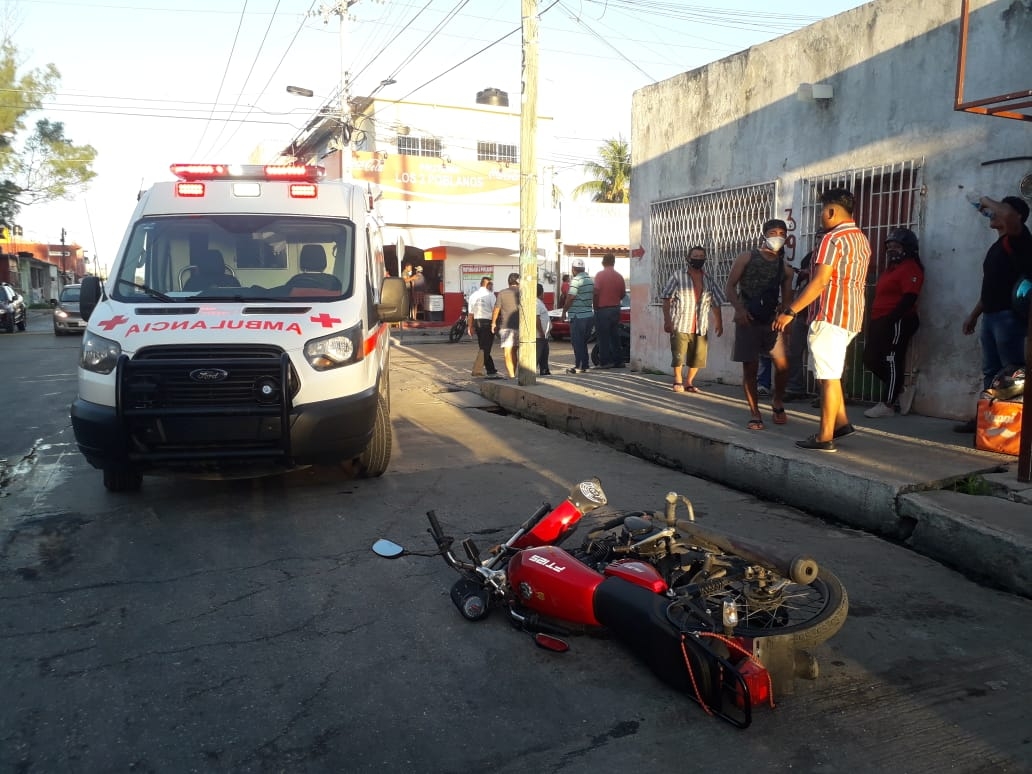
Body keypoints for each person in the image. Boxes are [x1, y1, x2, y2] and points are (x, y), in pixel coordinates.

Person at [774, 188, 872, 452]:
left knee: (827, 377)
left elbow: (819, 283)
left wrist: (790, 311)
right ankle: (840, 423)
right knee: (833, 372)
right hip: (851, 315)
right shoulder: (860, 238)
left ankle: (824, 436)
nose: (820, 216)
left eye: (821, 211)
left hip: (829, 314)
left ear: (831, 211)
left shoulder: (832, 239)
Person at [954, 195, 1032, 433]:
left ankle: (1013, 427)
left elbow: (1009, 215)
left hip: (1010, 317)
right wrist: (975, 314)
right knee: (991, 372)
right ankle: (987, 419)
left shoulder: (1020, 239)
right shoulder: (998, 246)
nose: (994, 213)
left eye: (1002, 210)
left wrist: (986, 200)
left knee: (1013, 373)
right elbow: (991, 287)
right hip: (992, 316)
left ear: (1016, 216)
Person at [725, 218, 794, 430]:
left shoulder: (785, 268)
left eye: (781, 233)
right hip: (748, 320)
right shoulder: (747, 257)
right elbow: (730, 286)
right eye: (773, 233)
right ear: (764, 234)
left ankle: (777, 401)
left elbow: (787, 299)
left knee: (782, 366)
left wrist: (786, 317)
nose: (777, 237)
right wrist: (739, 309)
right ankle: (755, 412)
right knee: (750, 368)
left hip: (771, 322)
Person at [863, 228, 925, 419]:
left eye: (896, 246)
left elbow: (909, 297)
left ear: (907, 248)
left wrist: (891, 320)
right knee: (870, 359)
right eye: (889, 247)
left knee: (892, 359)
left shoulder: (911, 268)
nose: (892, 250)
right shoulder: (891, 269)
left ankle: (888, 404)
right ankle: (899, 389)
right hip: (880, 319)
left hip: (898, 319)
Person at [661, 245, 724, 392]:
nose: (698, 259)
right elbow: (666, 298)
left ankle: (689, 382)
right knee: (678, 355)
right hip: (680, 323)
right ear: (688, 258)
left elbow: (716, 302)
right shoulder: (678, 276)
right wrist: (667, 320)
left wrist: (719, 322)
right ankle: (677, 380)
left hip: (700, 325)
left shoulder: (708, 279)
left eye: (701, 257)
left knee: (698, 357)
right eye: (695, 257)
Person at [783, 230, 825, 401]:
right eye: (817, 238)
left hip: (821, 313)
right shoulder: (809, 256)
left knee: (819, 356)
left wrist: (811, 275)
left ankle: (823, 394)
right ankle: (795, 388)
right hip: (802, 313)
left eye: (822, 238)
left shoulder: (831, 258)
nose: (819, 241)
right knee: (794, 351)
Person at [593, 253, 627, 369]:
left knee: (603, 337)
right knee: (615, 336)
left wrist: (595, 306)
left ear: (603, 262)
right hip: (615, 309)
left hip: (602, 310)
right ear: (614, 262)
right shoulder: (619, 276)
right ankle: (618, 361)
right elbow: (623, 294)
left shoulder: (599, 275)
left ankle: (605, 362)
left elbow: (596, 292)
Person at [562, 258, 595, 374]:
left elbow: (571, 297)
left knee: (577, 342)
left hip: (578, 316)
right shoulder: (590, 280)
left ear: (574, 269)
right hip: (589, 316)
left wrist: (564, 311)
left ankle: (579, 366)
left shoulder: (576, 280)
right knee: (583, 342)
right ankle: (585, 365)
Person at [467, 276, 498, 378]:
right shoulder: (490, 295)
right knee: (485, 348)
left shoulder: (473, 295)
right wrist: (494, 323)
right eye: (491, 284)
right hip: (487, 322)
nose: (492, 286)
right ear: (487, 284)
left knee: (483, 346)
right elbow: (495, 311)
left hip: (477, 322)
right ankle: (477, 370)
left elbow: (470, 313)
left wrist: (470, 327)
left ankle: (491, 369)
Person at [491, 272, 521, 378]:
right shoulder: (523, 292)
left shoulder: (502, 293)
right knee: (514, 351)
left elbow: (497, 309)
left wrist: (493, 323)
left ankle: (511, 375)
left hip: (506, 327)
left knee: (507, 352)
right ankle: (514, 373)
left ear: (508, 282)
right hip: (520, 327)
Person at [535, 282, 552, 375]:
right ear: (541, 292)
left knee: (544, 353)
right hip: (538, 335)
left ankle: (545, 370)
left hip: (543, 335)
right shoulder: (536, 303)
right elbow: (536, 318)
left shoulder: (539, 302)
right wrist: (541, 331)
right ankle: (530, 373)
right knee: (537, 354)